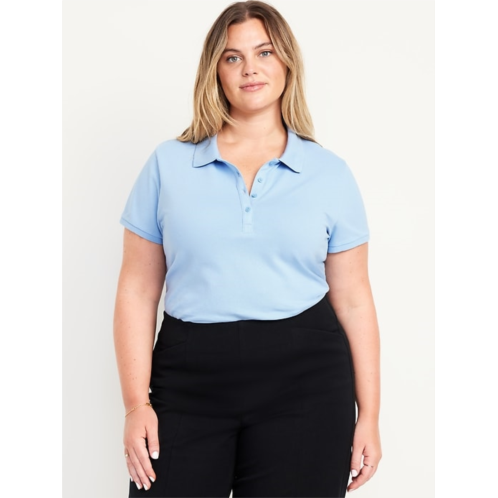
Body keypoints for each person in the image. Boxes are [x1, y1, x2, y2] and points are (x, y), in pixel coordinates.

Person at [113, 1, 382, 496]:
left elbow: (354, 299)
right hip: (188, 377)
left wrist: (370, 416)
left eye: (264, 52)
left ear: (287, 63)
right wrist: (135, 404)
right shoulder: (168, 165)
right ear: (215, 70)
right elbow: (136, 290)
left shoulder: (329, 173)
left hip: (307, 382)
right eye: (233, 57)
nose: (250, 68)